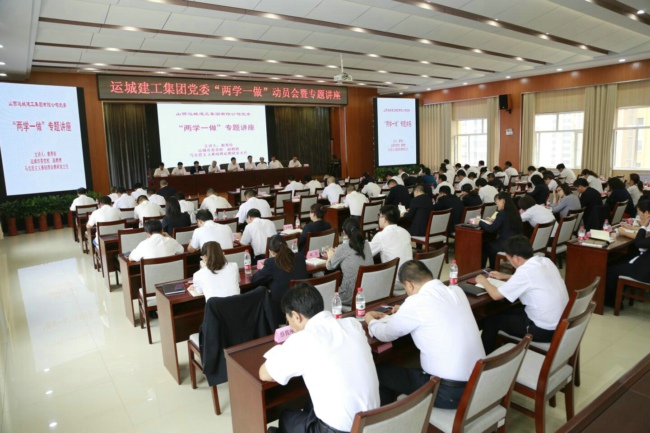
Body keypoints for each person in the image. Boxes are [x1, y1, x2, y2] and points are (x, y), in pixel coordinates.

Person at [259, 283, 380, 433]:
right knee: (309, 404)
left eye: (288, 320)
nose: (289, 326)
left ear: (296, 316)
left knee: (286, 417)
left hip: (338, 431)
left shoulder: (303, 340)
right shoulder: (352, 324)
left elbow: (264, 374)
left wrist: (282, 350)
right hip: (371, 424)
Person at [366, 260, 485, 408]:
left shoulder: (416, 303)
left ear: (409, 285)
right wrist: (405, 310)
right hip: (479, 382)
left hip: (448, 393)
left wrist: (370, 320)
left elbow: (385, 334)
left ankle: (389, 418)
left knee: (380, 372)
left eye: (405, 289)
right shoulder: (456, 291)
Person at [476, 235, 569, 353]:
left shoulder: (525, 271)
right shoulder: (545, 261)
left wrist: (483, 281)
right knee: (505, 310)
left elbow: (496, 295)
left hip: (543, 330)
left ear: (516, 258)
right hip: (560, 324)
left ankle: (485, 359)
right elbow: (533, 280)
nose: (510, 262)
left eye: (509, 259)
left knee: (492, 321)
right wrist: (505, 276)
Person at [251, 235, 308, 325]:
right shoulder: (300, 257)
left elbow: (254, 280)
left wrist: (263, 269)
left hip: (282, 311)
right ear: (287, 245)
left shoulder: (271, 263)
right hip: (304, 305)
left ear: (271, 252)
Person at [605, 200, 650, 306]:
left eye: (639, 212)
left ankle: (612, 301)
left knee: (611, 270)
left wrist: (644, 225)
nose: (638, 214)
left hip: (645, 270)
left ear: (647, 213)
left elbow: (639, 242)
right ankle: (619, 295)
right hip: (645, 262)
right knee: (619, 260)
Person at [324, 218, 373, 307]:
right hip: (369, 292)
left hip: (350, 297)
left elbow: (329, 266)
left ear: (344, 232)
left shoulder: (343, 248)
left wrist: (330, 255)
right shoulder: (366, 244)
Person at [472, 192, 523, 268]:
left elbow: (491, 229)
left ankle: (491, 267)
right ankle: (493, 266)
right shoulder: (514, 211)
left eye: (497, 202)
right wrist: (494, 221)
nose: (496, 204)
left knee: (486, 245)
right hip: (515, 243)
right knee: (490, 243)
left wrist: (479, 222)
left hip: (506, 244)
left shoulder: (502, 213)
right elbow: (506, 222)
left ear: (502, 201)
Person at [370, 205, 413, 286]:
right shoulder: (406, 232)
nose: (378, 219)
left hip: (394, 281)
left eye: (379, 216)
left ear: (384, 219)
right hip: (410, 279)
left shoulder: (381, 235)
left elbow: (368, 252)